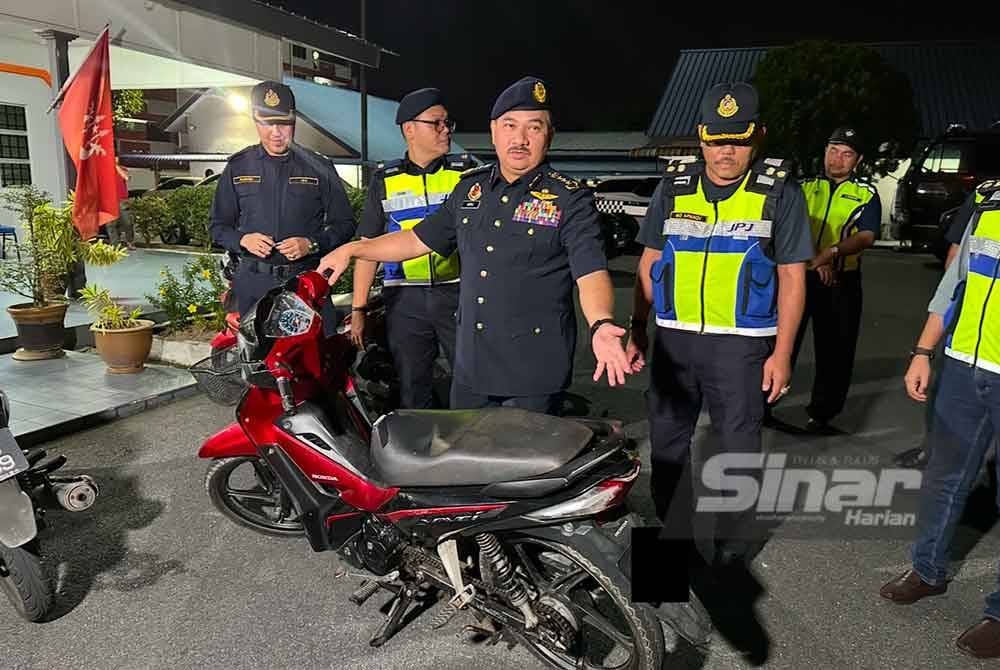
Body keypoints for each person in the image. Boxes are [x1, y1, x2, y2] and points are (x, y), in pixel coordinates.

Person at [318, 76, 630, 414]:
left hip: (533, 370)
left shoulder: (569, 198)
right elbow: (414, 240)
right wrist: (352, 250)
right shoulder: (469, 191)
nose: (520, 139)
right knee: (464, 458)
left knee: (522, 465)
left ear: (549, 135)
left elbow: (590, 271)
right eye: (510, 125)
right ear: (494, 131)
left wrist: (600, 322)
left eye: (534, 128)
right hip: (472, 369)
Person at [625, 82, 812, 566]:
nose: (725, 151)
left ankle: (733, 542)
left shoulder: (780, 193)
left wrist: (783, 352)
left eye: (738, 140)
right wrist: (636, 327)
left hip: (742, 345)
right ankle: (676, 533)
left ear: (759, 137)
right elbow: (648, 261)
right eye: (715, 139)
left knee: (738, 445)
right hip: (674, 340)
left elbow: (793, 279)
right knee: (666, 441)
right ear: (701, 137)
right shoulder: (673, 186)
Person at [880, 178, 1000, 659]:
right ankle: (926, 570)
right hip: (965, 366)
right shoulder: (991, 202)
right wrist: (923, 350)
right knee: (945, 478)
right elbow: (956, 282)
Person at [351, 88, 474, 409]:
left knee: (472, 380)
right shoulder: (385, 179)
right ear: (409, 129)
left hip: (459, 294)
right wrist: (359, 309)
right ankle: (421, 453)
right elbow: (367, 247)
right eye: (436, 123)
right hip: (405, 301)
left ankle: (475, 450)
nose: (446, 129)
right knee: (412, 386)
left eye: (448, 123)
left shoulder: (466, 173)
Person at [209, 80, 355, 316]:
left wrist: (312, 243)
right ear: (255, 120)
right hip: (253, 286)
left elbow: (346, 224)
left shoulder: (319, 166)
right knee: (256, 354)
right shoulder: (238, 166)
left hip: (305, 283)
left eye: (283, 123)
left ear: (294, 119)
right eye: (267, 123)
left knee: (316, 352)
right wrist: (243, 239)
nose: (275, 133)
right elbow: (217, 226)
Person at [790, 127, 881, 433]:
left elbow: (867, 236)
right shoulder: (802, 187)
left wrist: (830, 253)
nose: (837, 160)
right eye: (833, 150)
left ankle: (822, 414)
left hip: (841, 281)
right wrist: (814, 261)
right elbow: (786, 227)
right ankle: (761, 404)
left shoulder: (866, 193)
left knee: (836, 351)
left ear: (858, 160)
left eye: (846, 154)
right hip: (799, 275)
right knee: (780, 343)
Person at [894, 189, 983, 468]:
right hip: (968, 343)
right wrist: (924, 350)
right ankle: (932, 450)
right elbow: (955, 266)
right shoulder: (986, 197)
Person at [105, 159, 135, 249]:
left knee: (128, 222)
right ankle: (115, 245)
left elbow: (126, 177)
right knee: (110, 225)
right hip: (109, 201)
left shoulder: (122, 169)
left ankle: (130, 242)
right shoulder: (105, 170)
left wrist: (115, 166)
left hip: (122, 200)